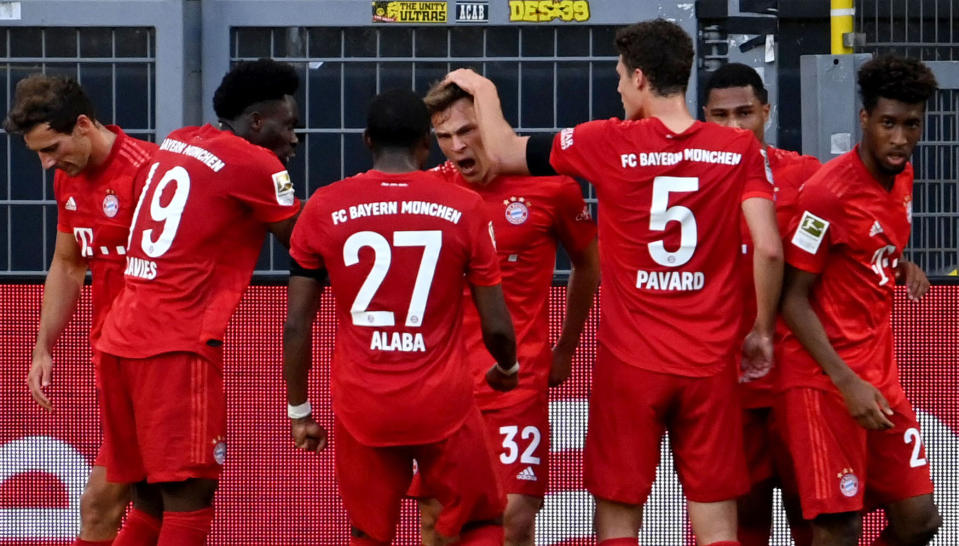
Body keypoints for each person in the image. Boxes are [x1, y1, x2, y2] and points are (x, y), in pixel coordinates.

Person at [443, 18, 783, 546]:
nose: (618, 87)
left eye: (621, 77)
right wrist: (760, 329)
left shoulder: (609, 142)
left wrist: (482, 89)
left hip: (631, 365)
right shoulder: (737, 151)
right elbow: (767, 246)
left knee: (619, 519)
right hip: (710, 362)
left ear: (642, 78)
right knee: (717, 523)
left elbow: (506, 149)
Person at [283, 88, 518, 544]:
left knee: (368, 533)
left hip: (363, 407)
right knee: (481, 522)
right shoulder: (465, 207)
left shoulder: (324, 207)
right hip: (443, 403)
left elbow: (297, 324)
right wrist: (507, 368)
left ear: (367, 141)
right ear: (426, 144)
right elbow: (496, 326)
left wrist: (300, 411)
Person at [92, 58, 301, 545]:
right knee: (192, 495)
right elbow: (302, 243)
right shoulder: (256, 164)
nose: (294, 137)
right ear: (257, 123)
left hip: (122, 338)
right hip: (174, 346)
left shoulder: (179, 140)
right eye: (288, 125)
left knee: (147, 499)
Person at [413, 81, 600, 546]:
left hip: (517, 379)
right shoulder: (430, 190)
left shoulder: (553, 187)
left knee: (513, 515)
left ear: (491, 127)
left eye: (468, 131)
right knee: (439, 520)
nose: (457, 147)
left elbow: (589, 265)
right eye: (444, 137)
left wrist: (566, 347)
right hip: (443, 384)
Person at [778, 54, 941, 546]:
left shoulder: (903, 178)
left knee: (920, 520)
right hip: (824, 382)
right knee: (838, 529)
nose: (900, 138)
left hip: (880, 378)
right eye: (888, 123)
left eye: (911, 125)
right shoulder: (826, 195)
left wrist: (900, 265)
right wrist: (846, 382)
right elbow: (793, 299)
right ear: (865, 119)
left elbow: (866, 249)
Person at [4, 74, 158, 546]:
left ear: (85, 125)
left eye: (52, 148)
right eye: (38, 154)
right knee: (127, 505)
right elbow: (69, 264)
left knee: (111, 504)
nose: (47, 162)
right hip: (113, 362)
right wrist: (43, 347)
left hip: (159, 362)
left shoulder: (150, 173)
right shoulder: (69, 182)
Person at [702, 62, 820, 546]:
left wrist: (899, 263)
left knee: (811, 517)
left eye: (744, 113)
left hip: (797, 376)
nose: (734, 127)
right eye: (721, 116)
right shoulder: (690, 186)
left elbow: (843, 250)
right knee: (743, 519)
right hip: (725, 378)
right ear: (703, 118)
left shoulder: (808, 177)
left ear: (766, 112)